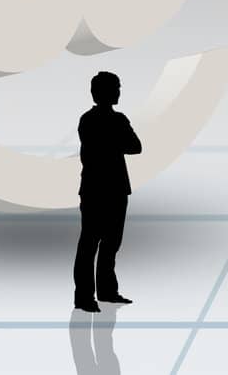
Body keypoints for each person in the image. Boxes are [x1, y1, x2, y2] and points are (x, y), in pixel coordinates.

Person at [74, 71, 141, 313]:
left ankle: (105, 291)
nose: (118, 92)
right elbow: (131, 145)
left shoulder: (95, 120)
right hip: (100, 189)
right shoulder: (106, 121)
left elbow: (137, 147)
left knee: (109, 243)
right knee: (91, 244)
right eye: (116, 88)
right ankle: (84, 297)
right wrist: (116, 141)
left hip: (108, 189)